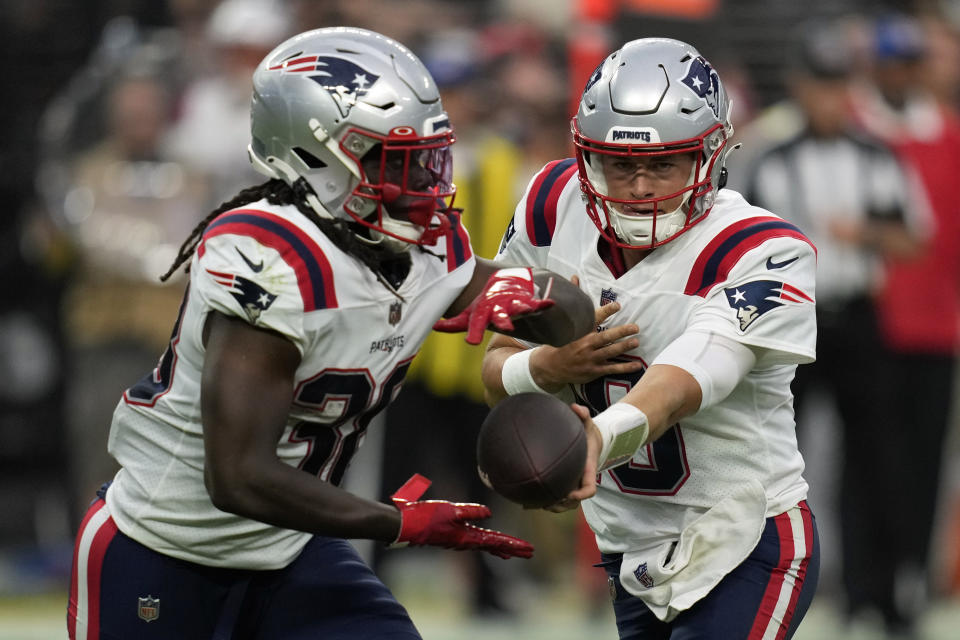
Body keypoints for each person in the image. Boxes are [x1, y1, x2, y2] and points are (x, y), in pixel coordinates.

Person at [67, 27, 594, 640]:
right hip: (164, 547)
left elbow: (571, 318)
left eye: (428, 156)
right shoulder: (268, 258)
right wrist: (396, 523)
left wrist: (544, 296)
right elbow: (238, 477)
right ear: (315, 157)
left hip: (289, 550)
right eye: (394, 160)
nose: (425, 181)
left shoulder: (424, 245)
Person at [482, 37, 820, 639]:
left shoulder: (766, 251)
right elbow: (495, 367)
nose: (640, 187)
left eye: (663, 163)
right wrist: (551, 367)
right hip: (628, 548)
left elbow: (683, 381)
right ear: (589, 158)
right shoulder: (548, 206)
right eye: (621, 164)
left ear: (710, 157)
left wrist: (590, 443)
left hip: (743, 537)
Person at [743, 22, 927, 637]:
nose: (827, 99)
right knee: (771, 453)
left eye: (836, 86)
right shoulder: (770, 159)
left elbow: (913, 240)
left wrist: (868, 235)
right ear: (799, 88)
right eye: (817, 86)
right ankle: (765, 585)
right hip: (793, 320)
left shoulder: (877, 158)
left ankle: (872, 593)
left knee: (874, 458)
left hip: (858, 315)